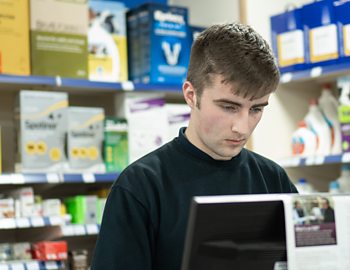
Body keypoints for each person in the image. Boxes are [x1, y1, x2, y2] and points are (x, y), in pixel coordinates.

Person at [91, 23, 298, 270]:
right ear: (191, 95)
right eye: (229, 107)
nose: (242, 128)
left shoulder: (273, 180)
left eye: (256, 109)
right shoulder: (140, 187)